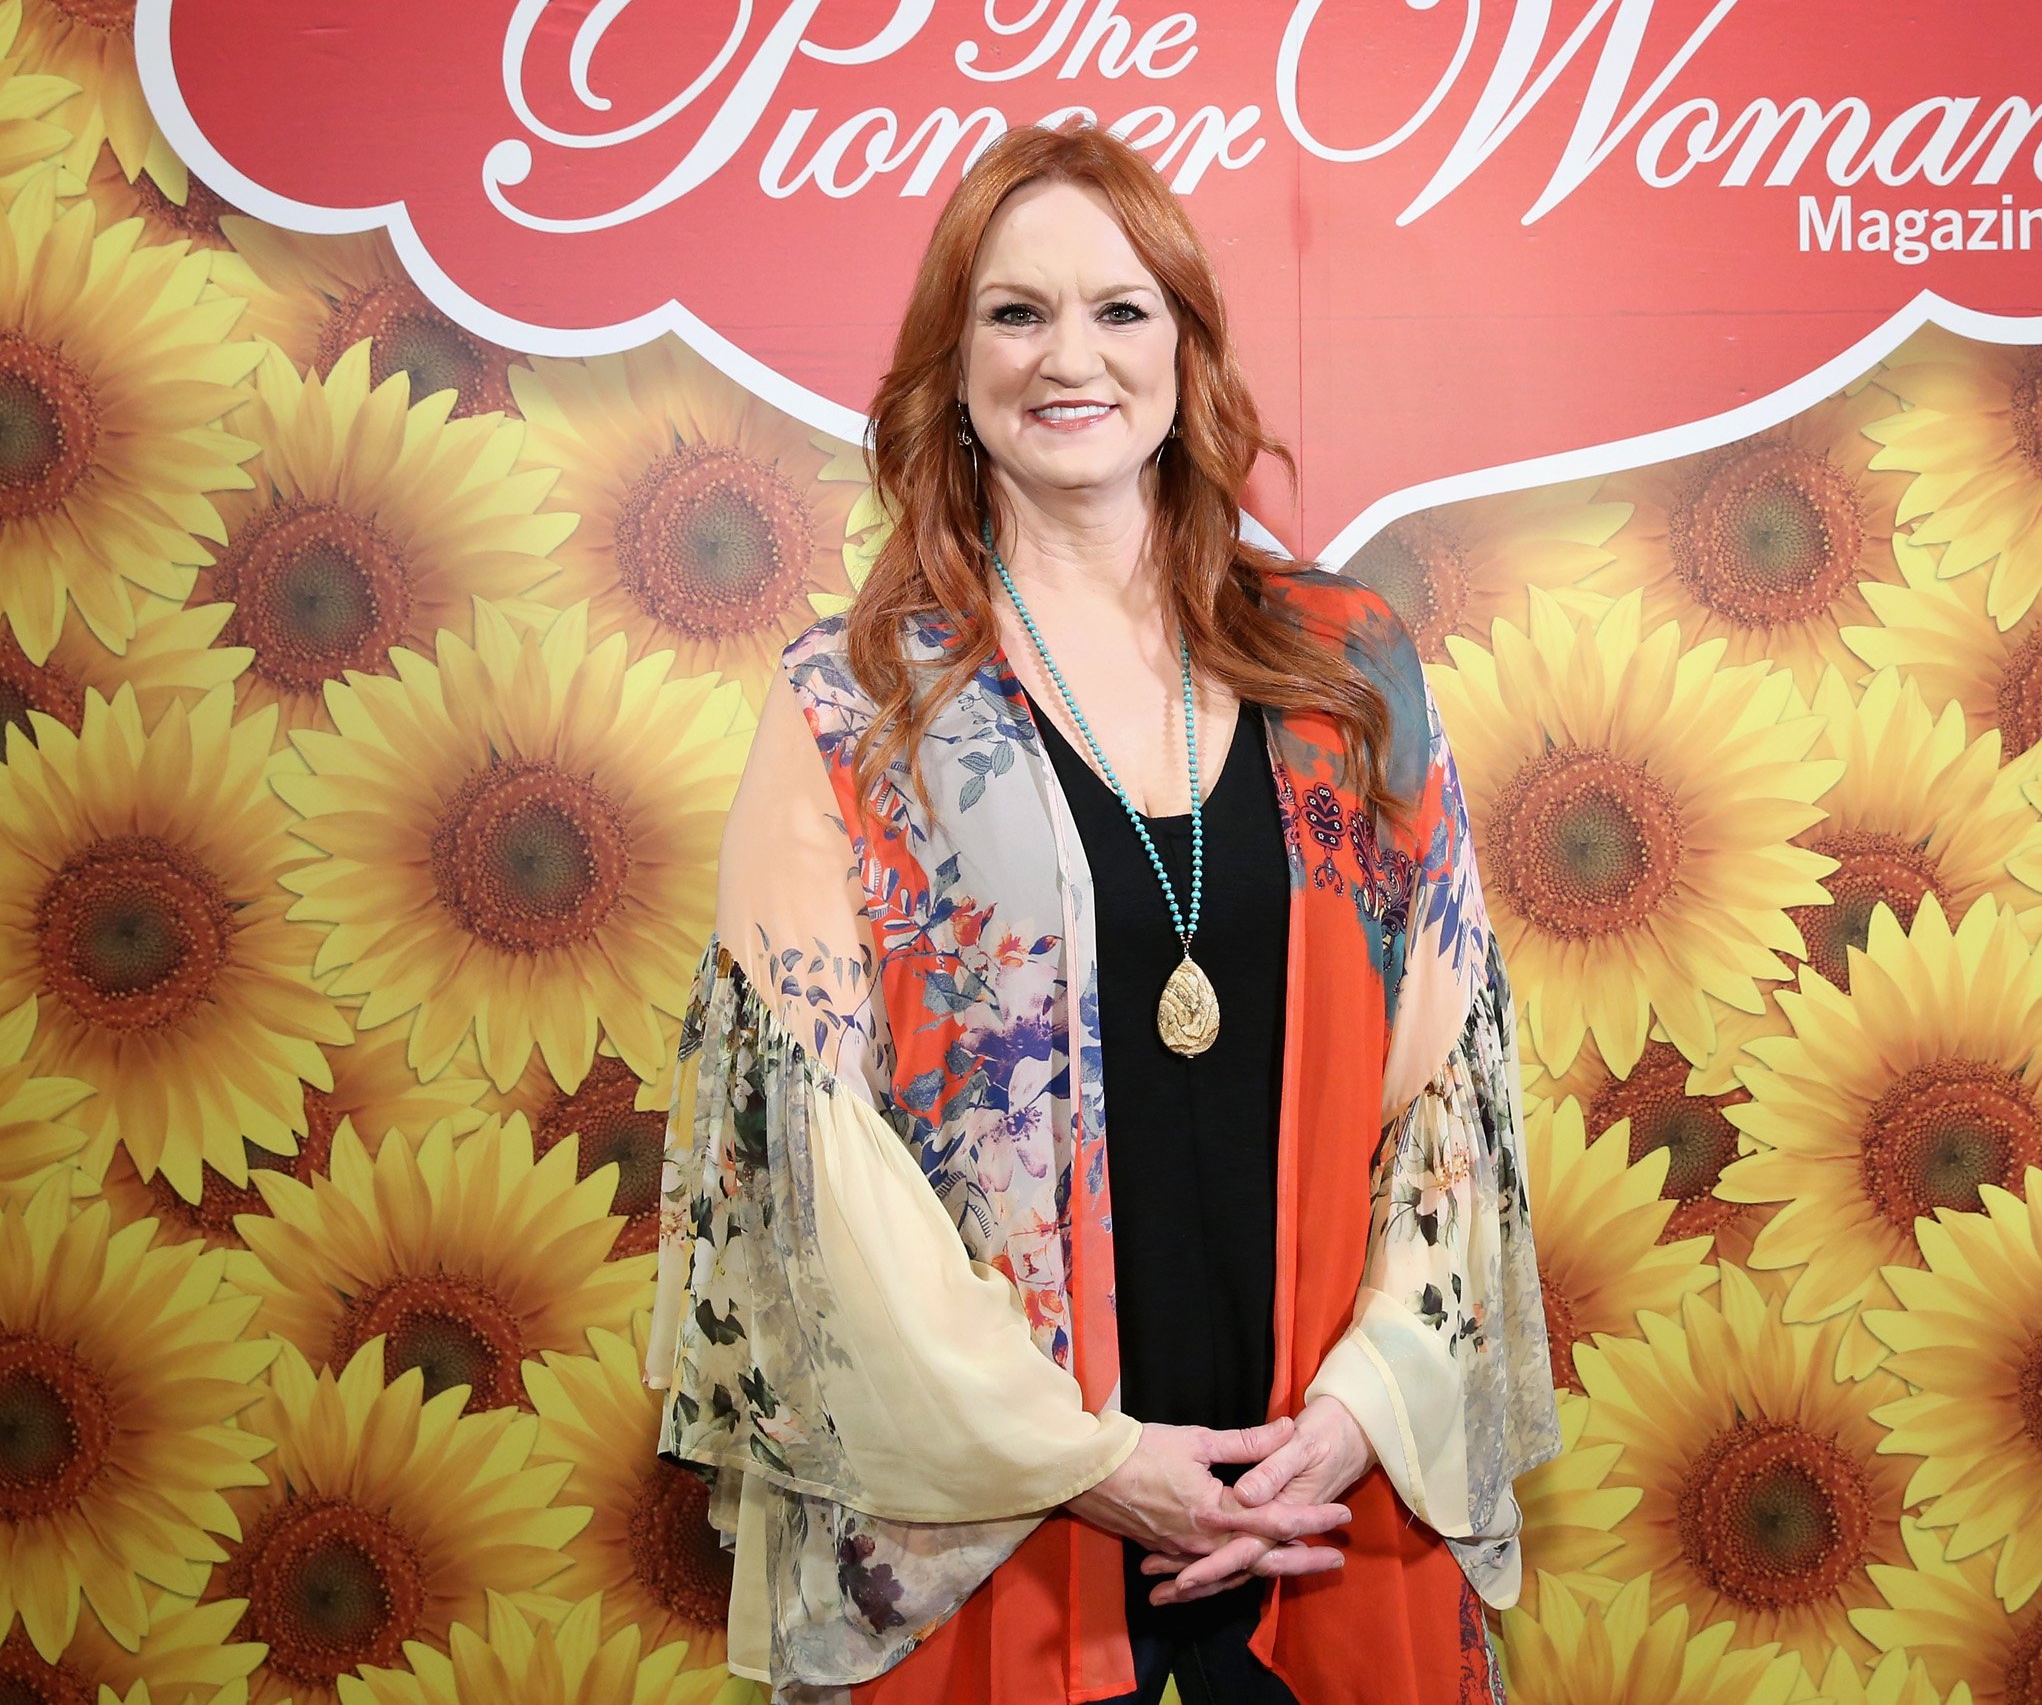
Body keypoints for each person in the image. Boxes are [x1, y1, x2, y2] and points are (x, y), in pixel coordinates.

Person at [649, 123, 1557, 1704]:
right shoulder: (856, 711)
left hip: (1325, 1511)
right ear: (952, 365)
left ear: (1188, 352)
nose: (1071, 356)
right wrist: (1084, 1461)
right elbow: (808, 1171)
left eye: (1122, 310)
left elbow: (1451, 1102)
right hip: (1019, 1537)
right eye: (1016, 314)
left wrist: (1358, 1417)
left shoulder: (1352, 672)